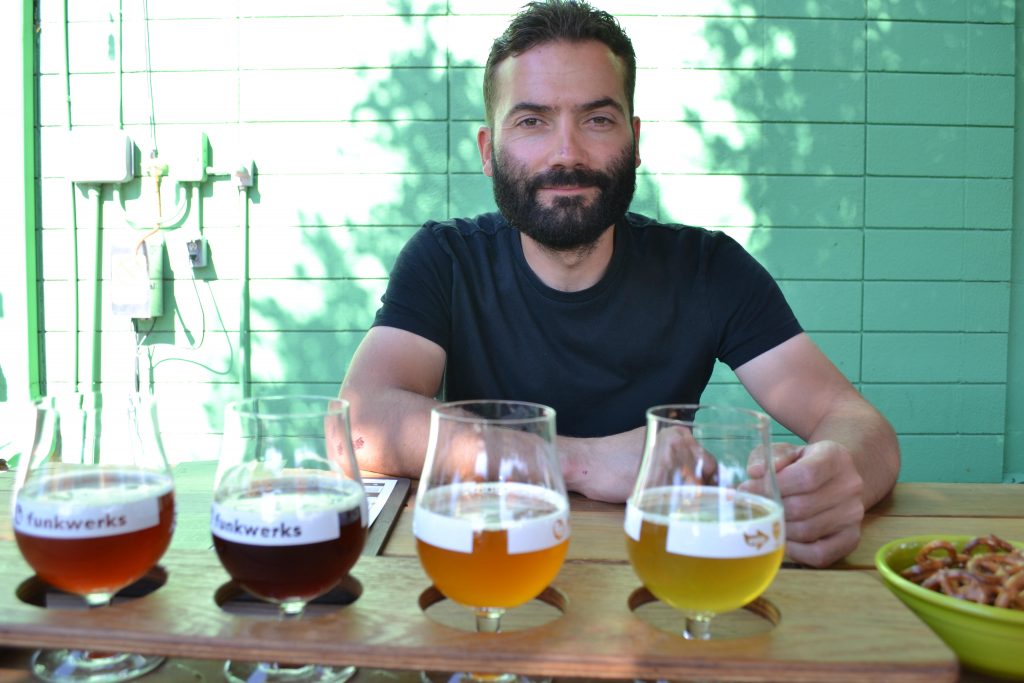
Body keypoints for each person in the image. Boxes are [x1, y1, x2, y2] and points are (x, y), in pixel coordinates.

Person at [340, 0, 900, 568]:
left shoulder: (707, 268)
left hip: (667, 578)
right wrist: (580, 462)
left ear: (633, 142)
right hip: (490, 563)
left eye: (597, 120)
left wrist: (834, 478)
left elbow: (857, 422)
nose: (567, 153)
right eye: (532, 120)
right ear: (489, 151)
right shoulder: (446, 260)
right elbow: (360, 425)